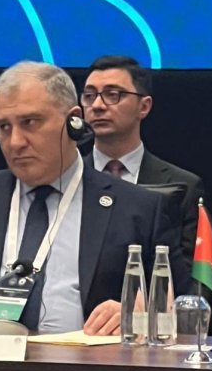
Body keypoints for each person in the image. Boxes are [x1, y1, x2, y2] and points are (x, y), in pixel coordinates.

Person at [0, 61, 189, 335]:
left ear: (73, 121)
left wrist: (140, 315)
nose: (15, 142)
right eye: (4, 126)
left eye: (30, 122)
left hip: (88, 358)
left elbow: (182, 307)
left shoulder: (139, 208)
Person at [81, 55, 204, 264]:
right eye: (89, 96)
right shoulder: (66, 178)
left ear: (144, 106)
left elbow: (188, 270)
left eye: (112, 95)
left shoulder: (184, 185)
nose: (97, 105)